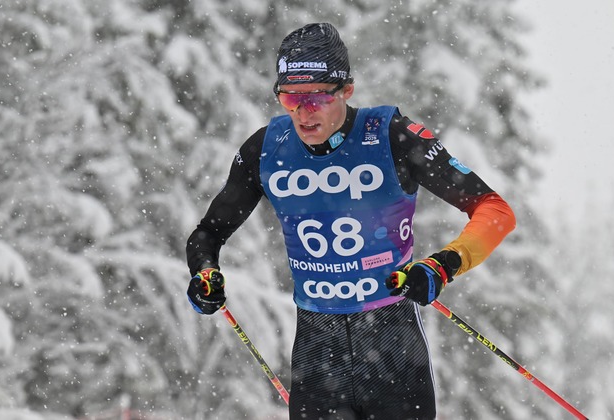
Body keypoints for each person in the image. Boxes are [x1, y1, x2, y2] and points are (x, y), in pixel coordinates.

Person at [186, 22, 516, 420]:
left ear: (346, 89)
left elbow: (495, 211)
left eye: (317, 98)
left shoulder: (391, 135)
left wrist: (441, 266)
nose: (302, 112)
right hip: (317, 353)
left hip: (393, 347)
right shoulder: (266, 148)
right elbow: (209, 233)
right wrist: (204, 273)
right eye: (291, 98)